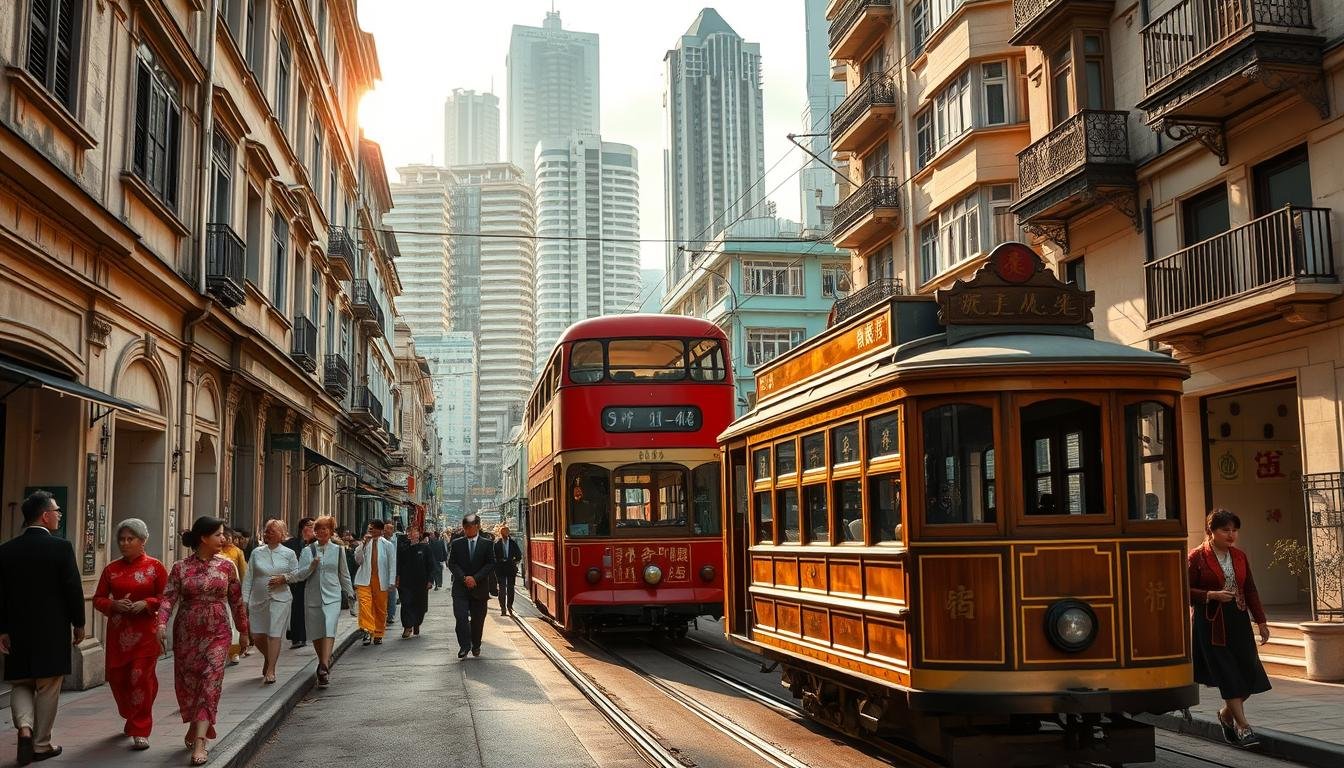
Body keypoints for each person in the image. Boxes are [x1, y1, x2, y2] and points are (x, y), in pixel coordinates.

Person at [0, 491, 85, 765]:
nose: (59, 515)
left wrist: (2, 629)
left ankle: (24, 729)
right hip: (52, 630)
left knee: (21, 682)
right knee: (48, 686)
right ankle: (41, 743)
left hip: (17, 630)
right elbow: (73, 588)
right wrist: (79, 623)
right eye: (57, 510)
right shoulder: (61, 548)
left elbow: (0, 594)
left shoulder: (7, 549)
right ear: (45, 515)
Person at [158, 516, 250, 766]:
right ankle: (194, 724)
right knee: (188, 685)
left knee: (210, 682)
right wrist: (161, 624)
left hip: (218, 631)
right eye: (219, 534)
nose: (224, 539)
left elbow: (237, 601)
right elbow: (168, 599)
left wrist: (243, 631)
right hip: (186, 633)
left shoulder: (227, 566)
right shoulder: (180, 568)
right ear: (203, 538)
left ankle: (200, 743)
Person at [1189, 508, 1272, 748]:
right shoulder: (1197, 557)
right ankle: (1244, 727)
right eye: (1225, 530)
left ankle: (1226, 714)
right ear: (1211, 531)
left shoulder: (1239, 556)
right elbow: (1182, 591)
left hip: (1238, 619)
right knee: (1227, 675)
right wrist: (1210, 594)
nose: (1231, 534)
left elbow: (1251, 589)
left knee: (1250, 673)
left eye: (1234, 530)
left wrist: (1261, 621)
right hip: (1211, 623)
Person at [92, 519, 169, 751]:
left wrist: (147, 603)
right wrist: (114, 605)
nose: (124, 543)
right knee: (118, 679)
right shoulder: (111, 569)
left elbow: (166, 597)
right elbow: (98, 599)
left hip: (146, 633)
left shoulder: (155, 567)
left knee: (140, 678)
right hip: (118, 635)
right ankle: (131, 714)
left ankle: (140, 729)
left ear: (142, 541)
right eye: (121, 539)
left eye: (130, 539)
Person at [244, 520, 309, 684]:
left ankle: (271, 669)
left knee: (274, 634)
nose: (268, 534)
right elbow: (249, 577)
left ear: (281, 534)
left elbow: (297, 574)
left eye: (272, 531)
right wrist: (244, 600)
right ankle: (268, 657)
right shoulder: (256, 553)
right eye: (266, 531)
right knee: (257, 635)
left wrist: (284, 578)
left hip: (280, 598)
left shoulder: (289, 553)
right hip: (258, 599)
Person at [294, 517, 353, 687]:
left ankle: (324, 665)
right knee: (317, 632)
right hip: (312, 595)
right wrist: (311, 566)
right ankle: (323, 661)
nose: (321, 532)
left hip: (333, 595)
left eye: (325, 529)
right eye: (318, 529)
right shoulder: (307, 551)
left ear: (331, 531)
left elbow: (344, 574)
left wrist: (350, 594)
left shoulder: (338, 550)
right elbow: (300, 575)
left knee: (329, 626)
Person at [447, 513, 496, 658]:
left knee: (478, 620)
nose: (468, 530)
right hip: (460, 588)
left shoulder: (487, 544)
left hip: (479, 588)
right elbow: (452, 563)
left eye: (471, 527)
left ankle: (476, 644)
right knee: (461, 617)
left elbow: (490, 563)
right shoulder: (457, 543)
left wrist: (475, 578)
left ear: (478, 527)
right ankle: (464, 646)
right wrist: (464, 578)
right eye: (466, 527)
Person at [354, 519, 398, 645]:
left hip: (381, 580)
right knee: (365, 605)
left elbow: (392, 564)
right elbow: (358, 560)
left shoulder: (387, 545)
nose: (370, 530)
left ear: (379, 530)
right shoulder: (364, 543)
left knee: (380, 608)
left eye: (372, 528)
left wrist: (391, 581)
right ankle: (368, 630)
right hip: (364, 580)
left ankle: (378, 632)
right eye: (369, 528)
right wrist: (362, 544)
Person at [283, 517, 316, 649]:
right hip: (295, 580)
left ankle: (307, 634)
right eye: (309, 526)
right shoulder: (290, 544)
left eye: (314, 526)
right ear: (302, 529)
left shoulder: (317, 545)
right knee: (297, 608)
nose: (312, 529)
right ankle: (297, 637)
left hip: (311, 580)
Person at [396, 528, 434, 637]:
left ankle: (417, 623)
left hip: (421, 582)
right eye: (410, 533)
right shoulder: (403, 548)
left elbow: (430, 565)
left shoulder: (425, 548)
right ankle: (407, 627)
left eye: (414, 533)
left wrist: (430, 580)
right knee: (406, 603)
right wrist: (397, 578)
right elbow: (398, 564)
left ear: (418, 535)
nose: (412, 535)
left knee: (420, 605)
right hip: (405, 581)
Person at [219, 528, 248, 666]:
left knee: (232, 624)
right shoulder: (183, 567)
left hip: (230, 594)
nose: (223, 538)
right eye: (219, 535)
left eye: (224, 535)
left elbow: (243, 572)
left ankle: (233, 651)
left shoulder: (236, 553)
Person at [493, 524, 522, 616]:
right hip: (500, 568)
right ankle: (503, 608)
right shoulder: (497, 543)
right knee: (501, 589)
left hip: (510, 568)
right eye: (503, 532)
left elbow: (518, 555)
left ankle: (509, 606)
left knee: (510, 588)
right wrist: (499, 561)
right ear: (500, 533)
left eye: (506, 532)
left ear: (508, 533)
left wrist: (513, 561)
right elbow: (493, 556)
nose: (505, 534)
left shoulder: (513, 543)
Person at [383, 521, 402, 627]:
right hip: (382, 570)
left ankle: (390, 616)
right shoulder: (380, 541)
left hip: (393, 570)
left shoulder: (396, 541)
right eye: (386, 529)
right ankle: (384, 614)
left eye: (390, 529)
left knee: (392, 594)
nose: (387, 531)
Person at [338, 527, 359, 616]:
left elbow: (355, 561)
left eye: (348, 534)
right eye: (345, 534)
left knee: (351, 588)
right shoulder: (339, 546)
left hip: (352, 570)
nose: (347, 537)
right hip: (342, 571)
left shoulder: (354, 546)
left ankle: (352, 606)